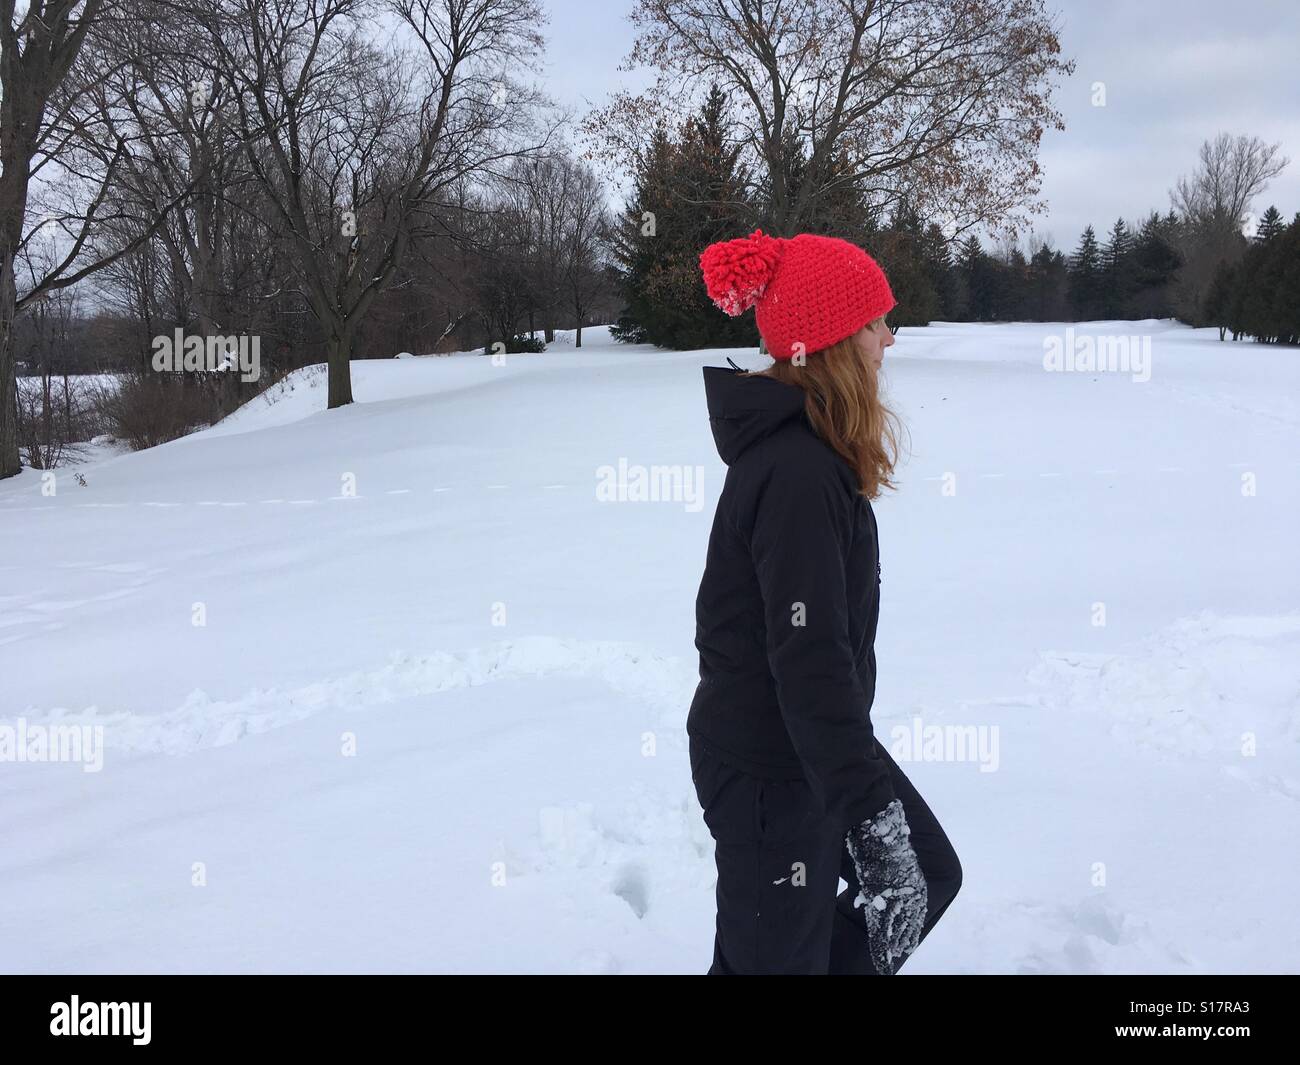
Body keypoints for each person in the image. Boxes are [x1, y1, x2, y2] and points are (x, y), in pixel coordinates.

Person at [687, 228, 962, 975]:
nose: (889, 340)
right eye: (877, 322)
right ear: (837, 338)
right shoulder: (797, 473)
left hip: (804, 746)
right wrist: (871, 825)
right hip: (768, 768)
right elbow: (808, 662)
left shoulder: (810, 452)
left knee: (928, 873)